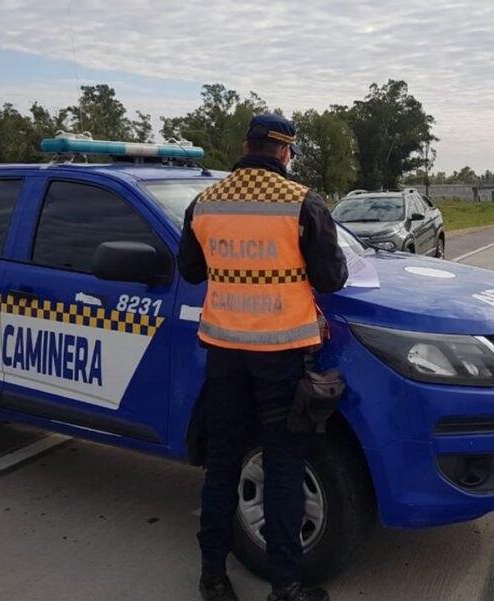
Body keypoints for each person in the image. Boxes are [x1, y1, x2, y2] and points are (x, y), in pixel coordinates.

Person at [178, 114, 348, 601]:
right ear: (285, 152)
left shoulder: (205, 202)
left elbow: (190, 271)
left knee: (223, 462)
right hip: (281, 355)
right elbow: (332, 278)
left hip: (224, 354)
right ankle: (285, 585)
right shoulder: (300, 202)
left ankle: (213, 578)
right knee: (283, 463)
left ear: (246, 145)